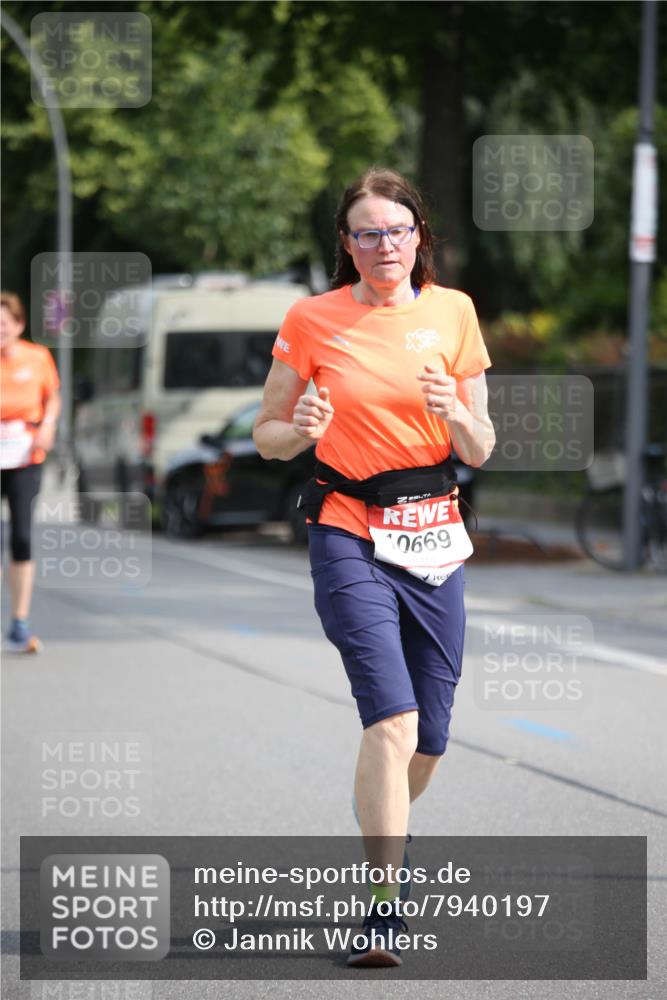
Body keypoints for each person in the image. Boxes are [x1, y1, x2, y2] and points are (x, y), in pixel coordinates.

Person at [253, 168, 495, 967]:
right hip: (347, 528)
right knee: (388, 721)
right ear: (345, 244)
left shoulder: (453, 313)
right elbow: (267, 433)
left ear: (419, 234)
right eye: (366, 233)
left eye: (396, 230)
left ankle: (378, 808)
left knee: (429, 737)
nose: (383, 245)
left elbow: (480, 446)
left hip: (432, 533)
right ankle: (383, 908)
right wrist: (301, 427)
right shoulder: (312, 318)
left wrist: (453, 410)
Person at [1, 292, 61, 653]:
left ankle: (19, 622)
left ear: (19, 325)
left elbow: (52, 396)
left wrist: (48, 424)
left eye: (4, 324)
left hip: (25, 456)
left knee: (21, 537)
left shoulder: (37, 357)